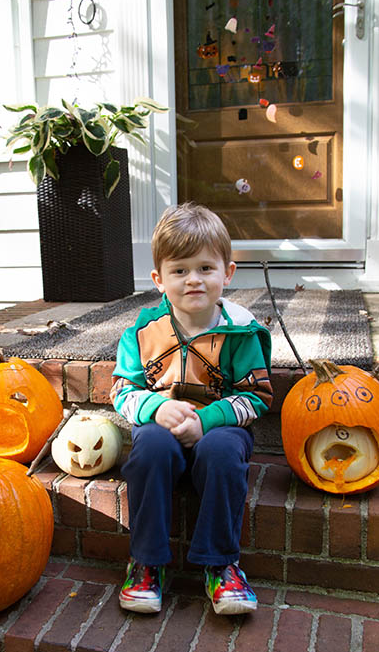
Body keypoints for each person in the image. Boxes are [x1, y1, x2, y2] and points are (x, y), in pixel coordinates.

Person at [110, 202, 272, 615]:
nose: (193, 280)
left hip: (220, 427)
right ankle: (147, 562)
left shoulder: (240, 333)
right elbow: (122, 390)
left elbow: (256, 397)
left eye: (205, 268)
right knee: (147, 451)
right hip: (162, 425)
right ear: (159, 279)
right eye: (180, 271)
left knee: (221, 454)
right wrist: (152, 408)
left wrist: (207, 420)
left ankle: (221, 565)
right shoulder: (142, 332)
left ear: (228, 273)